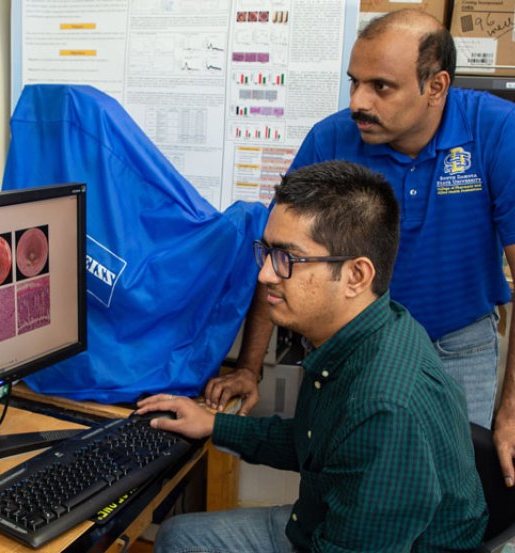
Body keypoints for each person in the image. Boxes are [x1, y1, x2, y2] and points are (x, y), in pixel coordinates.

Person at [205, 8, 515, 486]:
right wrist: (250, 368)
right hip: (350, 351)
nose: (357, 102)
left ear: (435, 87)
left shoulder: (496, 131)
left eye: (380, 87)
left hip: (459, 345)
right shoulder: (331, 139)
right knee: (344, 492)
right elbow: (278, 257)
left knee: (451, 487)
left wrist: (511, 409)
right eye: (354, 82)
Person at [140, 160, 487, 552]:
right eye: (267, 252)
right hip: (324, 521)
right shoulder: (369, 330)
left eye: (288, 258)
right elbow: (316, 442)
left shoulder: (385, 408)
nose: (265, 275)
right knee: (179, 536)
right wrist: (215, 425)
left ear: (356, 276)